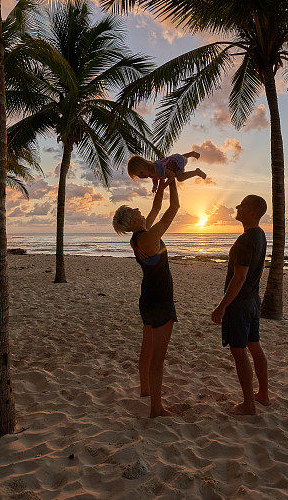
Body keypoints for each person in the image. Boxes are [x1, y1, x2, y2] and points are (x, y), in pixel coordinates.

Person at [112, 176, 180, 417]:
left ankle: (145, 391)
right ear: (131, 219)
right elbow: (173, 209)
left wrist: (161, 187)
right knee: (158, 357)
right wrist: (173, 183)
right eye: (134, 210)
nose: (139, 210)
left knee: (147, 348)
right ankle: (156, 409)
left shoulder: (138, 237)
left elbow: (156, 208)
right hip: (160, 299)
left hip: (147, 297)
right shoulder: (149, 237)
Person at [211, 195, 270, 415]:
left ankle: (248, 404)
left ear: (253, 212)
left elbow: (239, 278)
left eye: (242, 205)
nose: (237, 207)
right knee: (254, 346)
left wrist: (221, 306)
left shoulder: (246, 240)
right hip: (253, 301)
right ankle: (263, 394)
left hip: (241, 304)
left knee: (239, 351)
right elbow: (259, 270)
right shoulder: (260, 235)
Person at [127, 151, 206, 192]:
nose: (142, 176)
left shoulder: (158, 169)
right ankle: (191, 154)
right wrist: (155, 186)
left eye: (141, 173)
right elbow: (154, 178)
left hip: (176, 165)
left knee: (180, 178)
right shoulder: (151, 172)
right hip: (175, 158)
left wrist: (164, 185)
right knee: (181, 158)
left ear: (145, 166)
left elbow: (171, 176)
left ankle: (196, 172)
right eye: (139, 176)